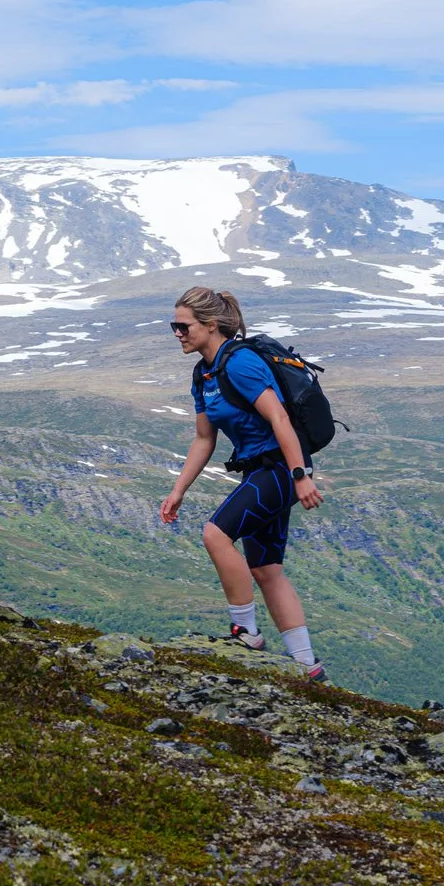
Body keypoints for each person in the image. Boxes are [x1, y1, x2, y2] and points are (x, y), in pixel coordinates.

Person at [157, 286, 325, 678]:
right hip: (260, 471)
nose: (177, 333)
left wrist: (300, 476)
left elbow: (280, 419)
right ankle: (306, 665)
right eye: (174, 326)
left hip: (282, 469)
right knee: (266, 569)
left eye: (183, 326)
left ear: (210, 325)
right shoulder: (203, 374)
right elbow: (204, 438)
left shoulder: (240, 364)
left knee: (216, 534)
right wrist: (178, 492)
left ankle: (246, 632)